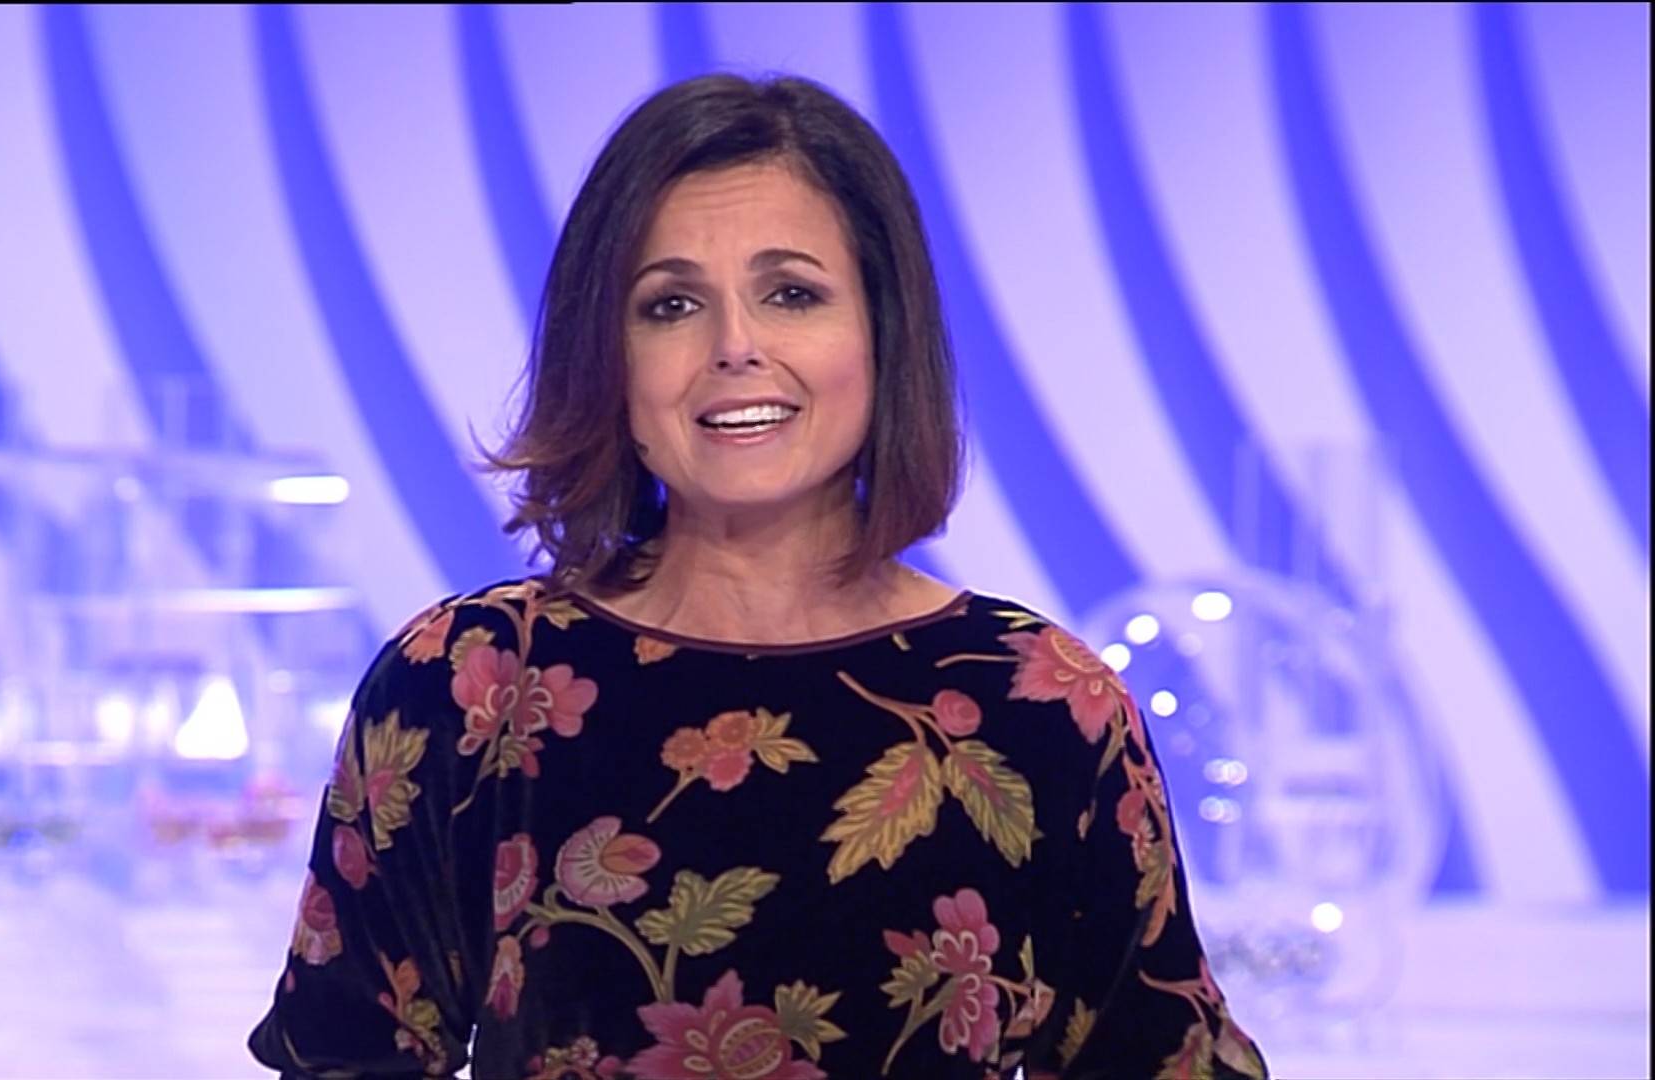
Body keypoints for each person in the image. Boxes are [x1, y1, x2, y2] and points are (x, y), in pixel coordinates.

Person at [248, 73, 1266, 1080]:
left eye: (791, 294)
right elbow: (346, 1060)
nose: (735, 347)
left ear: (883, 331)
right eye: (671, 304)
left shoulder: (1040, 705)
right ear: (606, 357)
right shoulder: (471, 684)